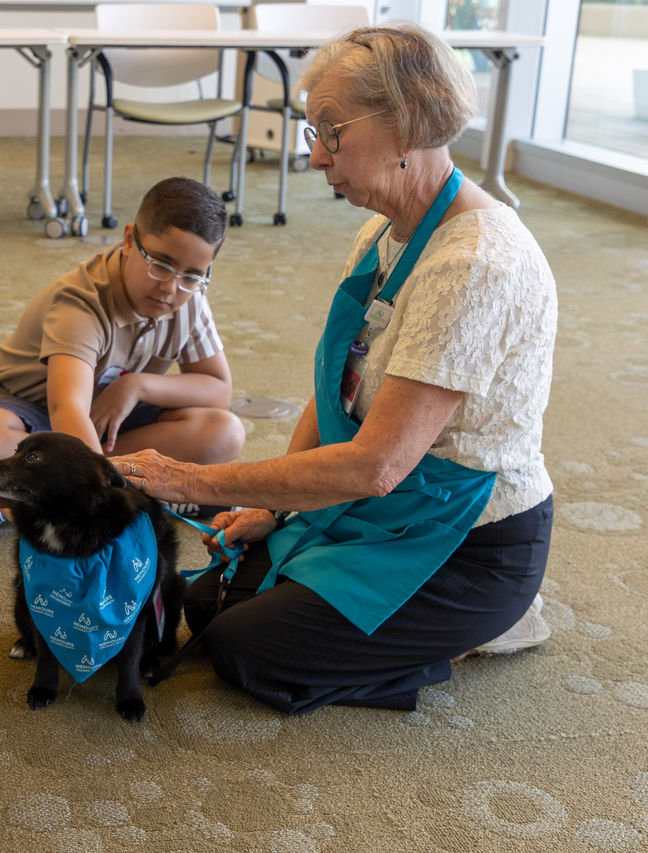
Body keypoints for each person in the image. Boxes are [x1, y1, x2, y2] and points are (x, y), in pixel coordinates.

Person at [113, 23, 556, 715]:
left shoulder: (472, 264)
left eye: (331, 131)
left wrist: (195, 480)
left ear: (406, 125)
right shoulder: (381, 230)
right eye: (310, 128)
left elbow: (373, 466)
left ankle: (485, 626)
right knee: (207, 599)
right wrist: (270, 504)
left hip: (469, 542)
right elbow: (337, 389)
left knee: (244, 650)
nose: (315, 156)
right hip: (383, 507)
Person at [0, 177, 245, 518]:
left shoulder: (190, 298)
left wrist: (136, 385)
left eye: (192, 276)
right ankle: (128, 489)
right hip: (31, 413)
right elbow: (67, 408)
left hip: (108, 421)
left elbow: (218, 390)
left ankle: (55, 491)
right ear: (130, 240)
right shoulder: (82, 300)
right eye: (160, 265)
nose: (171, 288)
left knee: (224, 432)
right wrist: (99, 496)